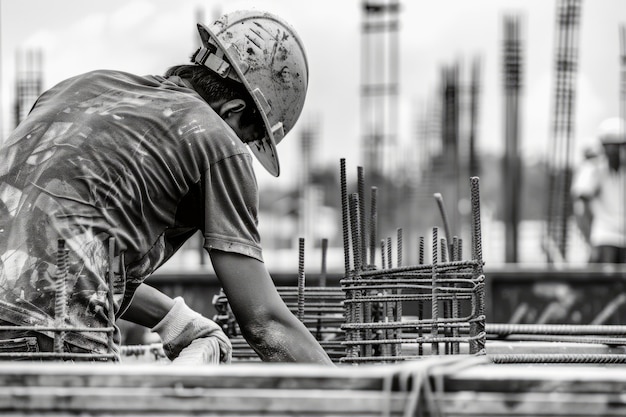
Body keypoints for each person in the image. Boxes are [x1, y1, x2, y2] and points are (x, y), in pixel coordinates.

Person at [0, 10, 333, 365]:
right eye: (248, 138)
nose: (243, 149)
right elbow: (265, 322)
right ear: (233, 109)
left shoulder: (79, 89)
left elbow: (66, 263)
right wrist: (356, 397)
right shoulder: (216, 140)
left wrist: (173, 319)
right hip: (54, 337)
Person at [571, 117, 626, 264]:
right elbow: (581, 208)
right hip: (604, 239)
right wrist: (590, 241)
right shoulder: (593, 170)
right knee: (602, 285)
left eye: (621, 145)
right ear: (603, 145)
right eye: (613, 145)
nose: (617, 150)